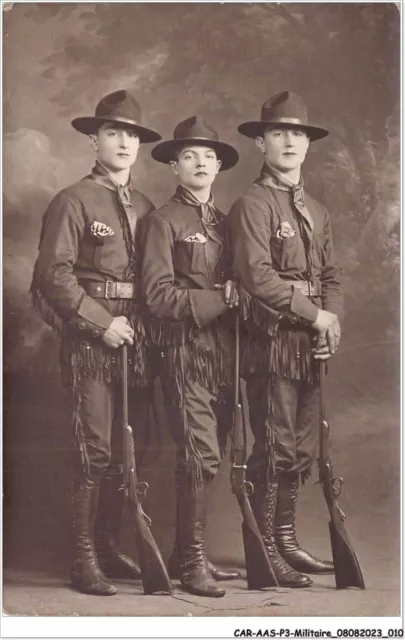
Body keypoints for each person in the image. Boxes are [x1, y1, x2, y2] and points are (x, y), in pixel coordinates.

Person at [30, 89, 162, 596]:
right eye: (114, 132)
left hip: (140, 342)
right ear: (94, 138)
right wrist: (99, 321)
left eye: (132, 134)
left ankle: (108, 547)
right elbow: (52, 275)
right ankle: (83, 560)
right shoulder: (73, 200)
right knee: (95, 448)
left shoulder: (149, 206)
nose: (125, 142)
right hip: (93, 341)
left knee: (131, 450)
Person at [227, 91, 343, 588]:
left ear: (308, 144)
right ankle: (264, 549)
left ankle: (288, 541)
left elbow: (332, 275)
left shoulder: (316, 209)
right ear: (260, 141)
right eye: (279, 133)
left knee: (300, 448)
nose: (290, 141)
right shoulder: (252, 203)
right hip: (272, 341)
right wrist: (314, 314)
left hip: (310, 341)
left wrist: (330, 321)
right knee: (273, 446)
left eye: (298, 133)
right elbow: (256, 276)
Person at [139, 116, 240, 598]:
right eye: (189, 156)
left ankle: (185, 551)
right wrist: (222, 299)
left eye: (208, 156)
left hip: (224, 355)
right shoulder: (163, 221)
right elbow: (156, 295)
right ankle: (192, 561)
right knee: (201, 454)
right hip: (182, 352)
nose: (199, 163)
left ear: (218, 165)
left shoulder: (228, 224)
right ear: (174, 166)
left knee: (210, 455)